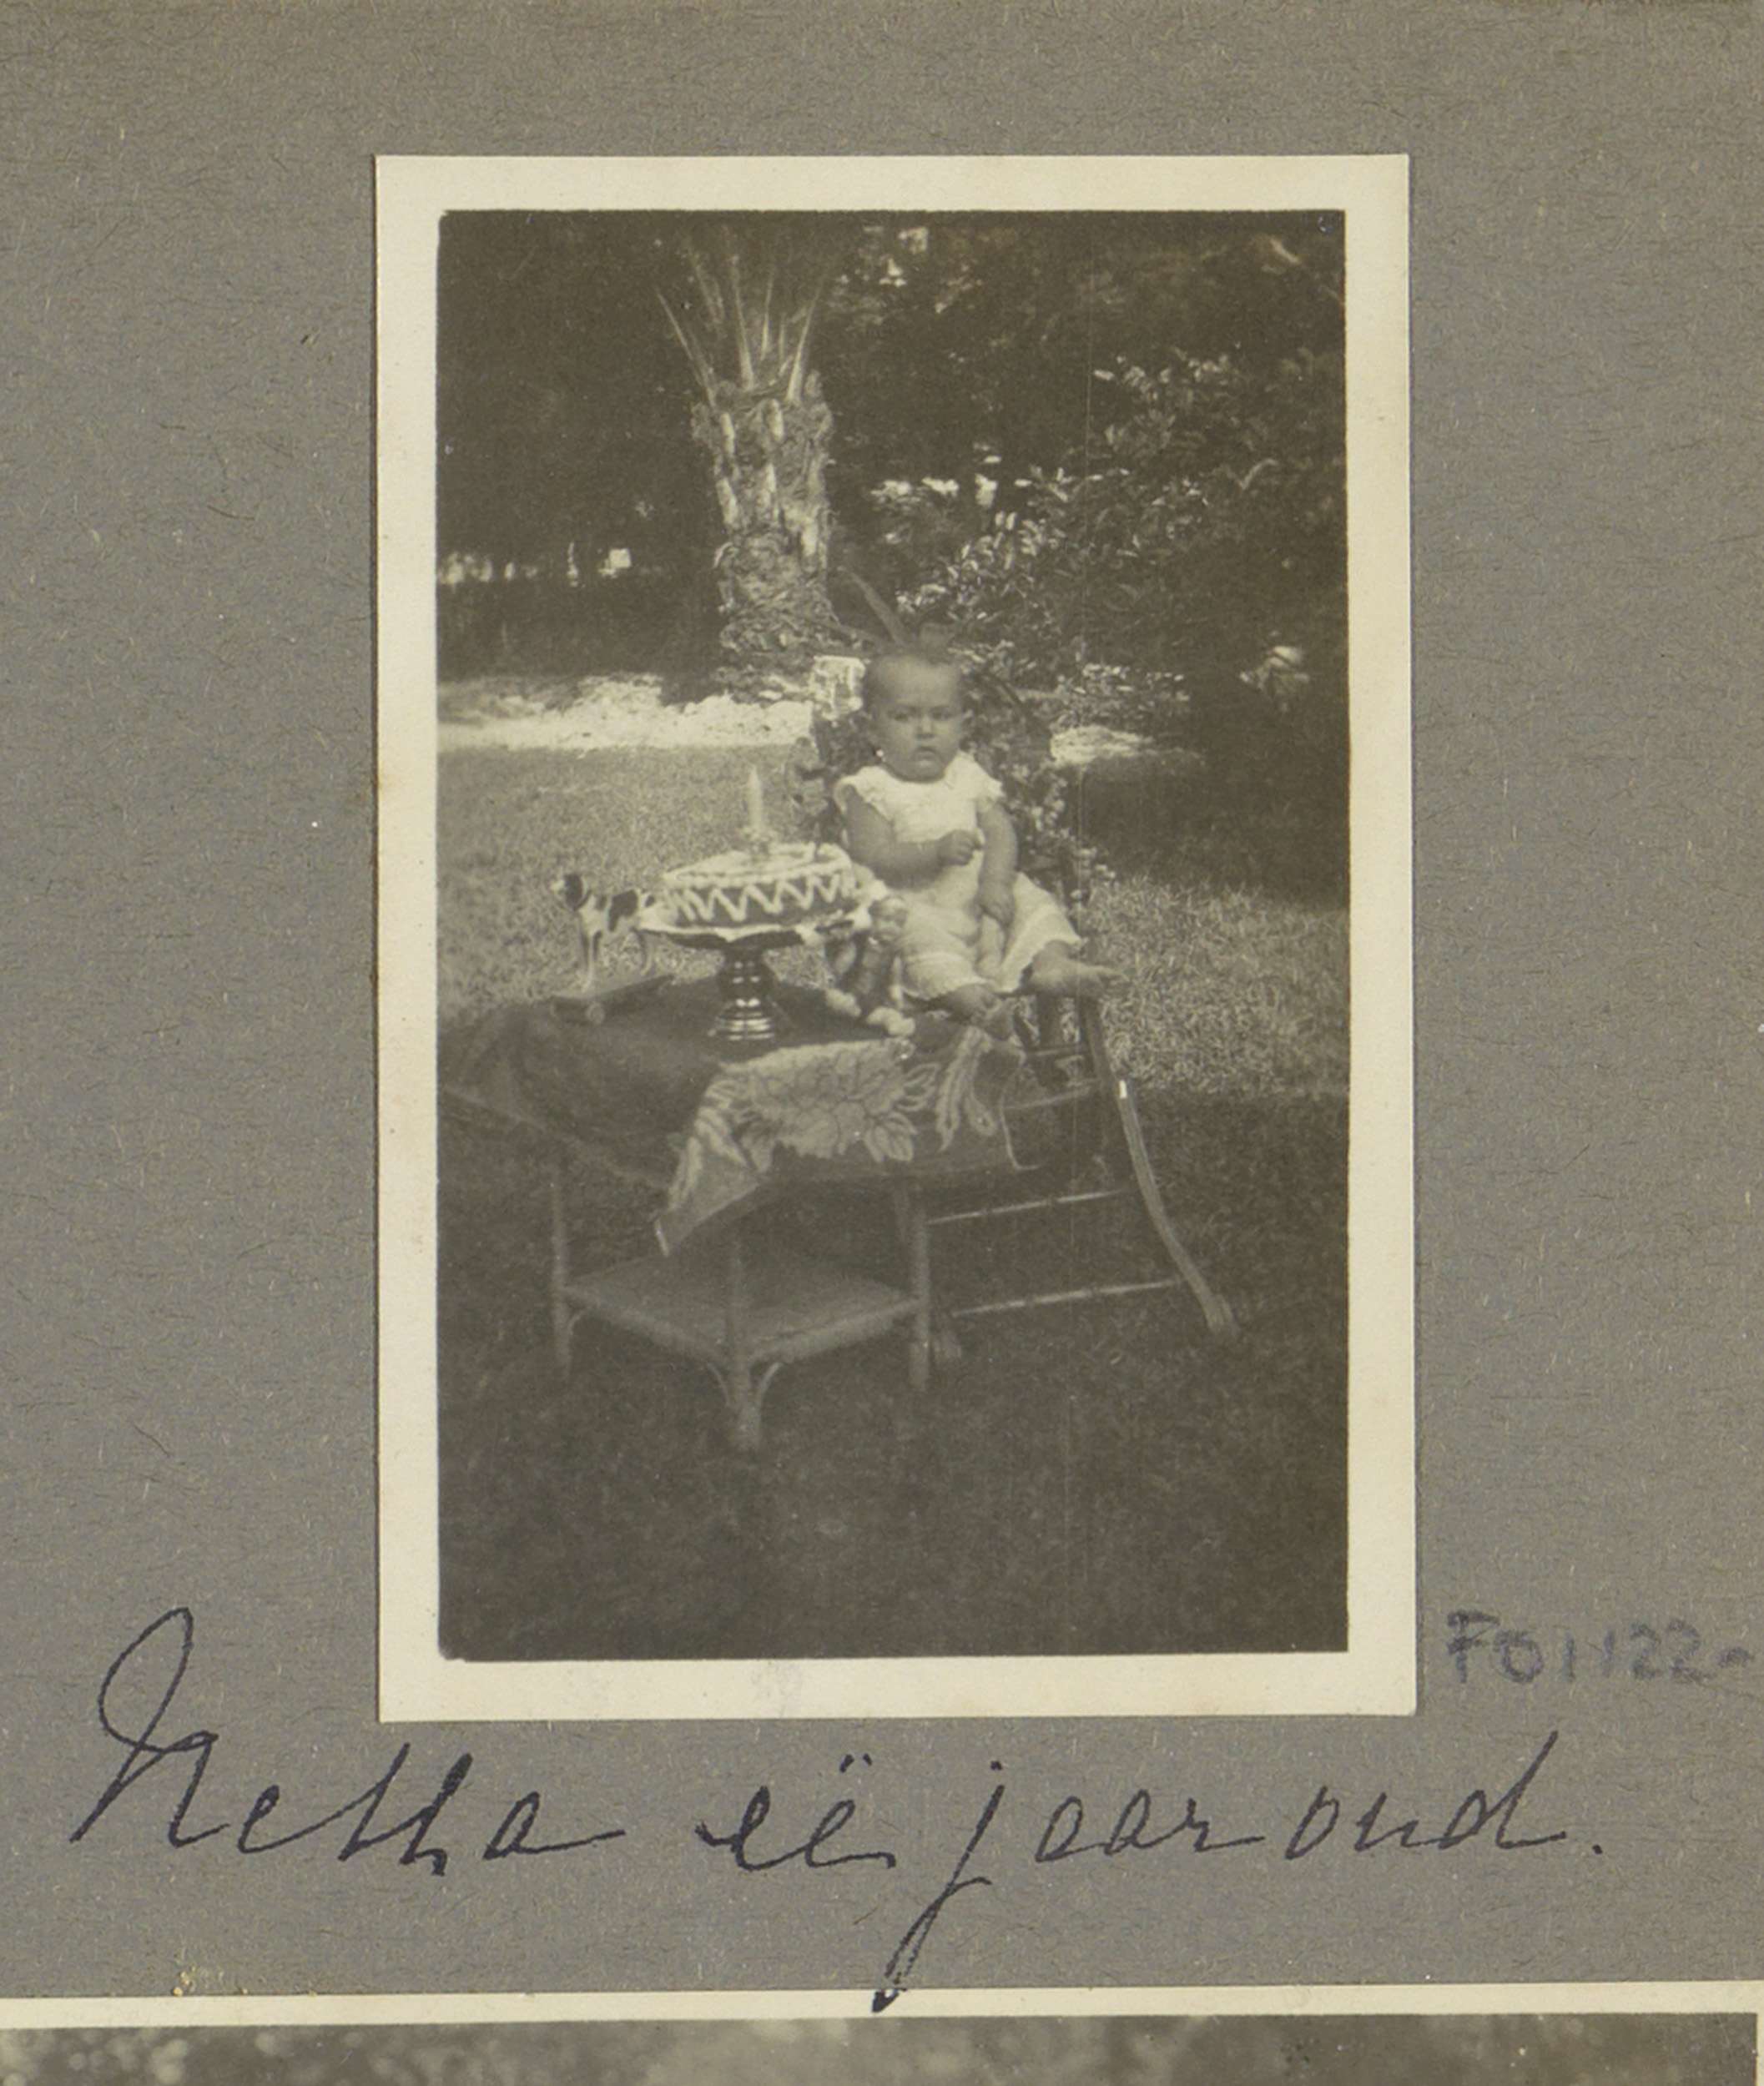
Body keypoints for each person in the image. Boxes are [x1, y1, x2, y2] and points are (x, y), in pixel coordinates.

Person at [835, 647, 1113, 1035]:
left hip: (980, 898)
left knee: (1032, 900)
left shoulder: (968, 776)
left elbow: (1000, 831)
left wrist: (995, 882)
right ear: (872, 728)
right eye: (904, 716)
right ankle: (973, 1000)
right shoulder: (871, 789)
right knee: (913, 938)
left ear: (962, 725)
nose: (925, 730)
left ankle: (1051, 963)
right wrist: (932, 853)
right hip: (917, 902)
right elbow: (872, 854)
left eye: (941, 716)